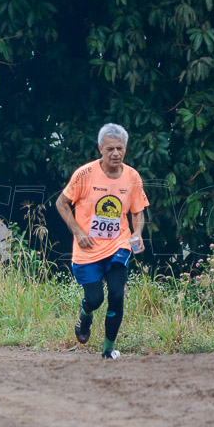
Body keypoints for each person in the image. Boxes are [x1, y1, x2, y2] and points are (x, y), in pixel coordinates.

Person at [56, 123, 149, 360]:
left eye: (120, 148)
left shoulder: (132, 177)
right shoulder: (84, 174)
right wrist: (78, 231)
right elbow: (61, 203)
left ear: (125, 149)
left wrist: (137, 233)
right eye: (110, 149)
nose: (115, 154)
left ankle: (109, 348)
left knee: (117, 294)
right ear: (100, 149)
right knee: (95, 299)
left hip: (119, 244)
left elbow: (138, 212)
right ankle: (85, 313)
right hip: (88, 249)